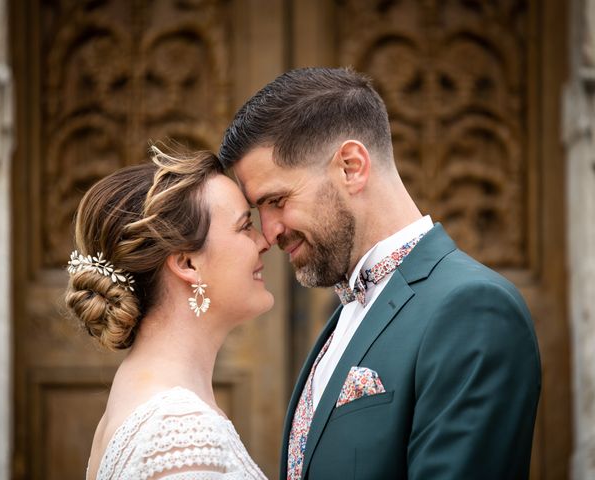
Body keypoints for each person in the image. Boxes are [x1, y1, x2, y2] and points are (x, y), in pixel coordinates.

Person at [218, 67, 541, 480]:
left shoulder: (473, 309)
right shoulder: (349, 313)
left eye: (277, 200)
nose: (270, 231)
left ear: (351, 167)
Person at [65, 146, 272, 479]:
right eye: (244, 226)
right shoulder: (179, 435)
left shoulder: (149, 398)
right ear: (187, 263)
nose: (264, 240)